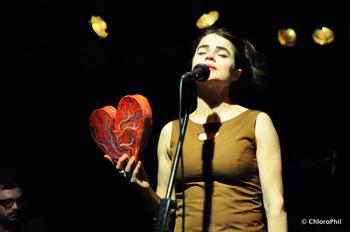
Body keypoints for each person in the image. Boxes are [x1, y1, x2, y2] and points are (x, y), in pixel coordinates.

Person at [108, 27, 288, 231]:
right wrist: (143, 187)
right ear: (193, 64)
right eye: (202, 51)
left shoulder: (257, 122)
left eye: (222, 54)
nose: (210, 56)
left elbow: (275, 205)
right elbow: (165, 217)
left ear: (236, 74)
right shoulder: (171, 131)